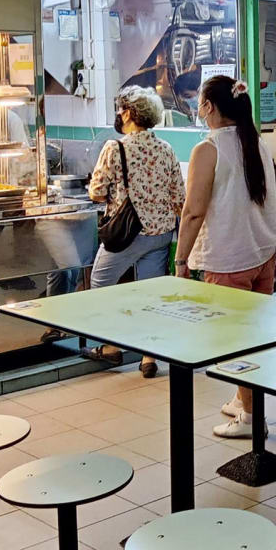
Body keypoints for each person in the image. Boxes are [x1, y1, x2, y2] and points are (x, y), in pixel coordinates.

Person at [171, 75, 276, 438]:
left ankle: (251, 420)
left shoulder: (208, 149)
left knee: (234, 347)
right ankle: (241, 398)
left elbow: (193, 211)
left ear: (208, 107)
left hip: (227, 260)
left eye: (201, 102)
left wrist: (181, 259)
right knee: (253, 339)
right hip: (261, 255)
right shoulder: (255, 142)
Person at [84, 86, 185, 377]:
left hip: (126, 234)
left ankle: (111, 347)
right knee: (151, 296)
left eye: (120, 109)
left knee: (101, 283)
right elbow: (180, 197)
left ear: (128, 113)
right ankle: (148, 357)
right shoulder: (166, 149)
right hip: (161, 233)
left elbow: (96, 192)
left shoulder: (115, 148)